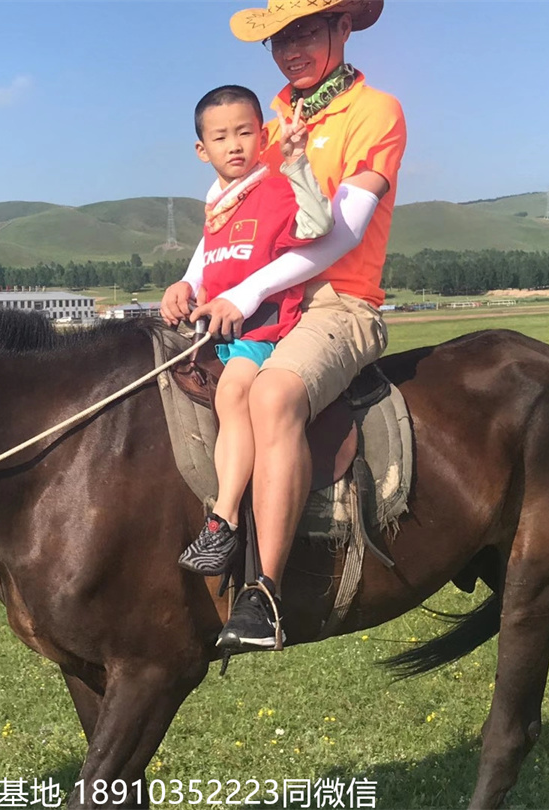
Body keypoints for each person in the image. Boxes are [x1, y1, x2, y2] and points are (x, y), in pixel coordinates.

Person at [162, 0, 405, 652]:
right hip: (265, 301)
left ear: (343, 27)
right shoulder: (272, 122)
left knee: (272, 396)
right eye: (279, 39)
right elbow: (230, 221)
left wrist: (242, 294)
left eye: (305, 32)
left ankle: (263, 594)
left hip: (338, 302)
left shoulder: (374, 113)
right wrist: (194, 280)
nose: (291, 49)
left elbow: (340, 235)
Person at [170, 85, 332, 582]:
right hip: (215, 328)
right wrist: (185, 282)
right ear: (203, 150)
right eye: (221, 137)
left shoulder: (276, 188)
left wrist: (299, 163)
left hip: (258, 328)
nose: (234, 145)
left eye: (244, 132)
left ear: (263, 135)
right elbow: (209, 259)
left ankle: (225, 519)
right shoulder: (220, 202)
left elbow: (317, 224)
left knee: (235, 393)